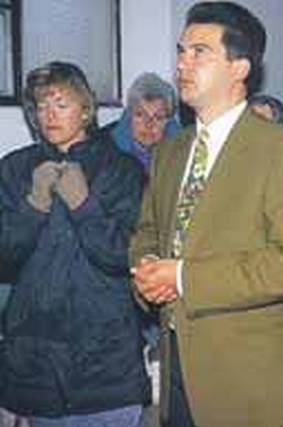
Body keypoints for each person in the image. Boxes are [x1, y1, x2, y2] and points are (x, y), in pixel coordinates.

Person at [129, 3, 283, 427]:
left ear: (240, 68)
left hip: (251, 373)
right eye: (181, 51)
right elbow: (148, 231)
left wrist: (182, 277)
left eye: (200, 52)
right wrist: (147, 269)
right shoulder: (170, 151)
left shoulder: (282, 148)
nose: (183, 63)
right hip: (178, 359)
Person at [0, 61, 149, 426]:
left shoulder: (121, 170)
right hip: (35, 365)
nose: (49, 114)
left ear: (85, 109)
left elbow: (126, 255)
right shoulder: (15, 169)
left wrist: (84, 207)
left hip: (106, 363)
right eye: (41, 106)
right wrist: (33, 206)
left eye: (61, 104)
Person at [106, 72, 180, 171]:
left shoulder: (183, 154)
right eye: (140, 115)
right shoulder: (107, 153)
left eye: (158, 117)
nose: (149, 124)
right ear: (129, 116)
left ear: (168, 120)